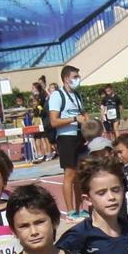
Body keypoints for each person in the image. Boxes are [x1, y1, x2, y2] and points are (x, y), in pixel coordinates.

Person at [48, 65, 88, 215]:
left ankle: (80, 208)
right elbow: (53, 121)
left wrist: (91, 126)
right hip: (66, 138)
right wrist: (73, 118)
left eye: (78, 76)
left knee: (79, 175)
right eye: (75, 77)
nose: (78, 79)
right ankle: (70, 210)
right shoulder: (57, 96)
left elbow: (84, 115)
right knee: (69, 174)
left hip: (79, 137)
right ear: (66, 79)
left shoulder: (77, 96)